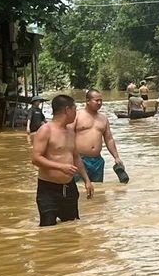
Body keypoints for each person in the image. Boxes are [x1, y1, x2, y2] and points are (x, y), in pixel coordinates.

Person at [31, 94, 94, 226]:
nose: (76, 113)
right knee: (48, 230)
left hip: (69, 188)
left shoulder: (70, 131)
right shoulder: (45, 130)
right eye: (75, 109)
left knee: (71, 227)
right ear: (67, 110)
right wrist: (61, 167)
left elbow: (76, 157)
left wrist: (87, 180)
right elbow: (36, 159)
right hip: (48, 189)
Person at [74, 89, 129, 183]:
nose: (99, 103)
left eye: (101, 100)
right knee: (80, 187)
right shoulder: (77, 115)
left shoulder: (103, 118)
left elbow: (109, 139)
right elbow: (67, 136)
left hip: (97, 161)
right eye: (96, 100)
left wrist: (116, 157)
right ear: (87, 101)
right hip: (80, 159)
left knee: (98, 188)